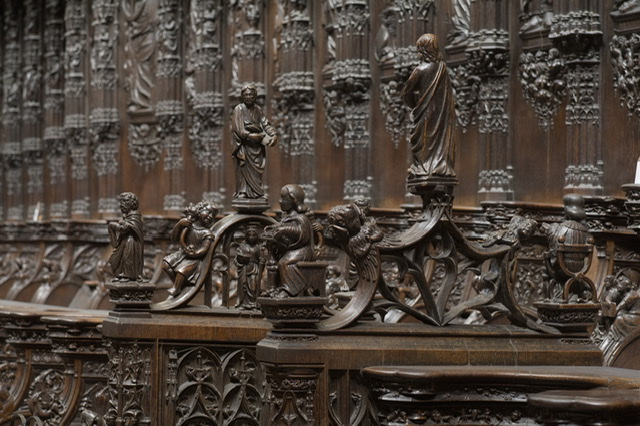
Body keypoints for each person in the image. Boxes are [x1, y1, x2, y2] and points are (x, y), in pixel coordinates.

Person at [402, 33, 456, 182]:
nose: (418, 53)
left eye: (419, 50)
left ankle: (425, 167)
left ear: (424, 50)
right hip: (442, 112)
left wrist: (415, 105)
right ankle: (440, 166)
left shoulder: (420, 70)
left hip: (425, 113)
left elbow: (406, 92)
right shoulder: (442, 68)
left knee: (424, 141)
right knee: (438, 140)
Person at [263, 184, 316, 297]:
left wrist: (285, 229)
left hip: (303, 250)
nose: (279, 201)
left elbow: (302, 234)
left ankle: (290, 290)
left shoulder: (302, 218)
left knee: (284, 262)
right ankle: (279, 288)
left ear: (293, 200)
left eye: (283, 198)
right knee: (275, 260)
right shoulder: (286, 217)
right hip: (292, 249)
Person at [231, 84, 278, 200]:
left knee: (256, 171)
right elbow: (237, 128)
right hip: (244, 146)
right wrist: (249, 136)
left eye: (251, 95)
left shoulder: (258, 109)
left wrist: (273, 134)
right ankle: (242, 191)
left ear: (255, 96)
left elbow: (265, 124)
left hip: (256, 146)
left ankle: (257, 192)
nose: (248, 97)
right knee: (243, 168)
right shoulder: (239, 109)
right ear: (242, 96)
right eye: (246, 95)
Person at [162, 201, 218, 297]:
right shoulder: (188, 226)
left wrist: (194, 253)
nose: (210, 216)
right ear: (199, 211)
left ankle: (177, 288)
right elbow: (174, 239)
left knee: (182, 271)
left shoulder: (207, 233)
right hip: (182, 253)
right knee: (165, 265)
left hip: (194, 259)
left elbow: (204, 249)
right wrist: (179, 224)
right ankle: (179, 285)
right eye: (208, 212)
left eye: (213, 215)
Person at [108, 192, 145, 281]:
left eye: (125, 201)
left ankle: (128, 276)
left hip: (131, 242)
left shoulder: (135, 216)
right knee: (121, 259)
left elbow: (124, 228)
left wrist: (112, 225)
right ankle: (122, 274)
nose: (122, 204)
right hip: (125, 241)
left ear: (132, 203)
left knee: (128, 258)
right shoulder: (128, 216)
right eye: (121, 202)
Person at [235, 225, 262, 309]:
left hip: (254, 269)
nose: (251, 237)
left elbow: (262, 259)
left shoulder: (258, 247)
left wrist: (262, 260)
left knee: (253, 287)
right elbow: (236, 259)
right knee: (243, 287)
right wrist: (240, 260)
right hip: (244, 269)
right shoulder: (242, 246)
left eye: (253, 235)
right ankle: (244, 304)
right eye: (249, 235)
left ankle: (254, 303)